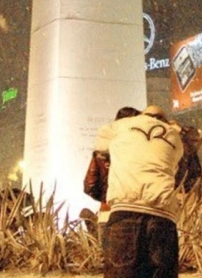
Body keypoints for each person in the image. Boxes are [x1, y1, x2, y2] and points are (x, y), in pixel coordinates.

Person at [95, 104, 184, 278]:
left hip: (125, 212)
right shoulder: (173, 135)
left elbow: (100, 144)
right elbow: (174, 163)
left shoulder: (121, 126)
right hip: (162, 216)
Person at [84, 106, 140, 247]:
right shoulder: (139, 150)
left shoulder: (101, 152)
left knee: (108, 259)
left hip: (107, 211)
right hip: (135, 210)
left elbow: (90, 185)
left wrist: (106, 198)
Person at [176, 124, 202, 194]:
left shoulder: (192, 156)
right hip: (181, 195)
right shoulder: (180, 156)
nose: (196, 144)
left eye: (197, 141)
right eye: (193, 141)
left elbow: (197, 175)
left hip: (190, 193)